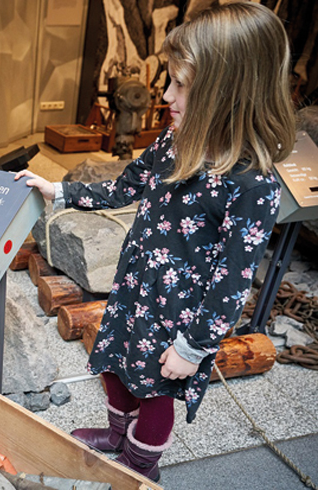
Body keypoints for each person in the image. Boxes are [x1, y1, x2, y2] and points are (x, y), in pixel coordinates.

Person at [16, 1, 295, 482]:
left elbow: (233, 282)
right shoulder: (174, 139)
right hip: (135, 287)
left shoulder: (253, 184)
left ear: (229, 89)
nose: (166, 96)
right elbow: (125, 186)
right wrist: (60, 190)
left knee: (155, 390)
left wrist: (194, 347)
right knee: (114, 364)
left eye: (181, 84)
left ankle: (140, 466)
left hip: (179, 315)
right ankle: (117, 434)